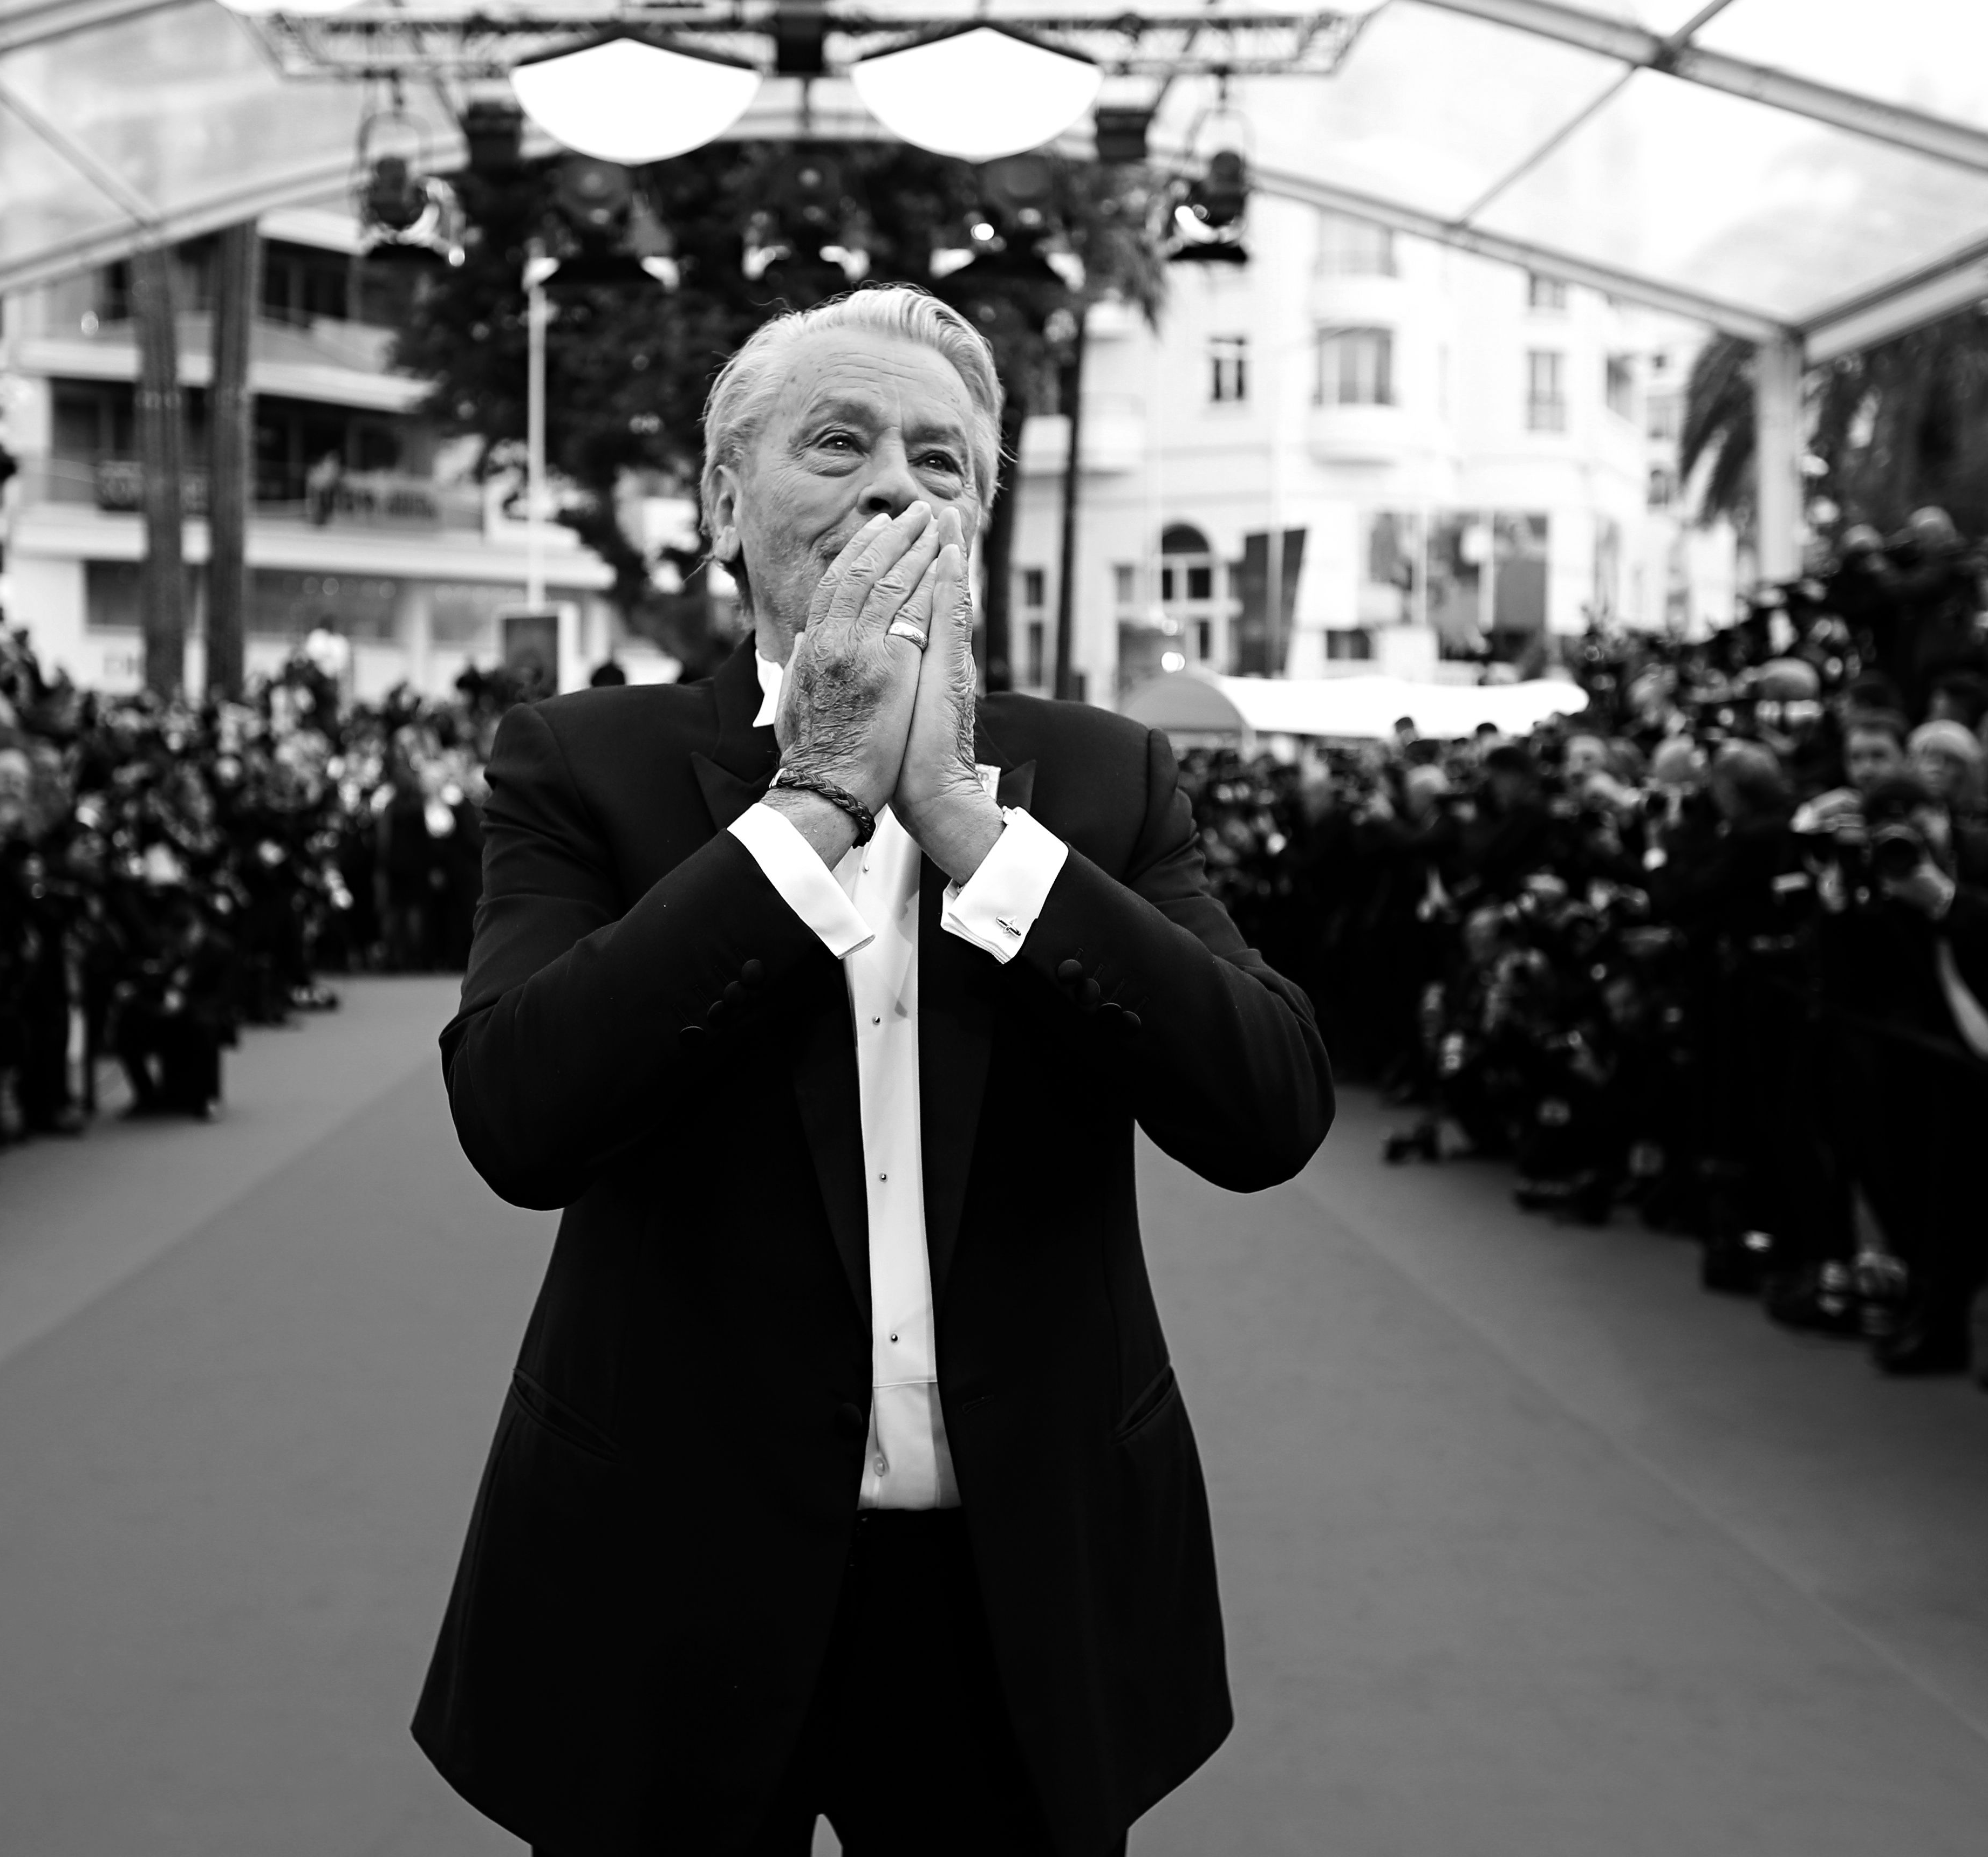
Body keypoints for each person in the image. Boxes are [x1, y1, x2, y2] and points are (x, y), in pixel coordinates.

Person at [415, 286, 1334, 1855]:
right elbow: (520, 1114)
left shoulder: (1104, 775)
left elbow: (1265, 1108)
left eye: (942, 460)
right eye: (838, 442)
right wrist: (819, 801)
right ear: (726, 498)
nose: (899, 485)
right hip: (671, 1561)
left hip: (1017, 1577)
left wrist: (976, 832)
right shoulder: (583, 763)